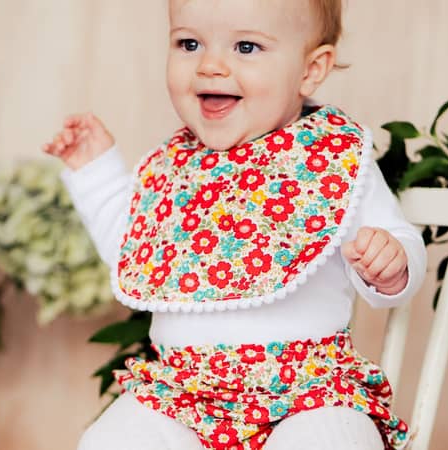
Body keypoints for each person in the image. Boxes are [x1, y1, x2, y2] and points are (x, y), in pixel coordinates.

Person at [43, 1, 427, 449]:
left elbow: (399, 237)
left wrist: (391, 264)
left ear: (311, 70)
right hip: (181, 395)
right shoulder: (178, 170)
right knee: (110, 441)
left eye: (246, 46)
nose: (210, 65)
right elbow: (135, 250)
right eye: (189, 43)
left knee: (333, 438)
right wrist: (96, 172)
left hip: (308, 392)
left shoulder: (328, 159)